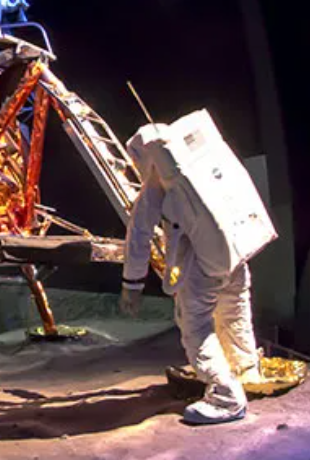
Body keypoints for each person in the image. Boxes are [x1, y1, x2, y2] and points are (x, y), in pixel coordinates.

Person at [119, 110, 277, 425]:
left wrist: (131, 286)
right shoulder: (205, 163)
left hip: (203, 267)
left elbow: (139, 235)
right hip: (237, 257)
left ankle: (225, 396)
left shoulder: (158, 185)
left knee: (196, 328)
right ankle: (246, 370)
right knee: (234, 315)